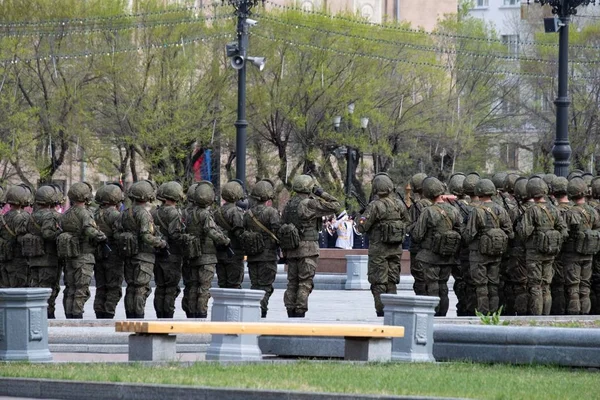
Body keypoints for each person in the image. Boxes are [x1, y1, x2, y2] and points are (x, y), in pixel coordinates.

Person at [280, 174, 340, 318]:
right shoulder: (309, 203)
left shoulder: (289, 205)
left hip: (292, 249)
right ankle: (300, 311)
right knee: (305, 283)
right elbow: (336, 205)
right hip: (308, 249)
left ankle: (290, 309)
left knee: (292, 282)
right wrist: (320, 192)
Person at [357, 173, 410, 317]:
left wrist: (360, 216)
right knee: (392, 281)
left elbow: (361, 228)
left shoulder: (375, 206)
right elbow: (407, 222)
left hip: (378, 250)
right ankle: (392, 310)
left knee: (379, 282)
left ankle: (381, 311)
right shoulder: (399, 204)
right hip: (396, 249)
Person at [516, 177, 568, 315]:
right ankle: (546, 316)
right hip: (550, 253)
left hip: (534, 254)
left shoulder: (531, 211)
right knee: (546, 286)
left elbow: (523, 233)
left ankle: (537, 318)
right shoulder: (554, 209)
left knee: (535, 286)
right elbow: (563, 230)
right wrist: (553, 241)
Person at [411, 177, 462, 316]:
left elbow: (417, 235)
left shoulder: (428, 211)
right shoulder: (453, 210)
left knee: (432, 285)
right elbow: (460, 230)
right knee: (443, 286)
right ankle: (443, 315)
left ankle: (433, 314)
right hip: (448, 255)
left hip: (430, 256)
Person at [462, 179, 513, 315]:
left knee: (481, 285)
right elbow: (510, 232)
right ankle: (495, 313)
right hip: (496, 253)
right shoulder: (501, 210)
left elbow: (468, 235)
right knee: (494, 284)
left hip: (479, 254)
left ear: (478, 192)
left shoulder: (476, 211)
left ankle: (483, 314)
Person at [118, 180, 166, 319]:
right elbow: (146, 235)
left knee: (131, 288)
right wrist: (161, 243)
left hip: (130, 255)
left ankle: (130, 316)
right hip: (144, 257)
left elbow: (117, 232)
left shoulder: (125, 213)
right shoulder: (144, 214)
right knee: (140, 289)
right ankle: (138, 316)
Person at [58, 182, 107, 319]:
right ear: (86, 197)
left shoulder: (66, 214)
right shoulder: (85, 213)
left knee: (70, 288)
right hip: (84, 256)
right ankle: (77, 315)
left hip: (69, 255)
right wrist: (101, 237)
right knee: (81, 289)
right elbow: (88, 229)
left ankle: (69, 315)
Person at [183, 181, 230, 318]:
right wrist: (225, 241)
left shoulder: (189, 214)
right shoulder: (205, 214)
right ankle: (201, 312)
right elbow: (210, 231)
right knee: (204, 287)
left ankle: (192, 313)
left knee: (192, 286)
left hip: (193, 254)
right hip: (207, 256)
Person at [561, 177, 600, 315]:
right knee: (585, 285)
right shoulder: (593, 212)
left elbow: (564, 233)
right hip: (588, 254)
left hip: (572, 254)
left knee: (573, 287)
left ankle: (574, 315)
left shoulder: (570, 213)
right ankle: (585, 314)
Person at [243, 179, 281, 318]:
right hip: (268, 256)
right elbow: (278, 231)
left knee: (255, 286)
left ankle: (255, 312)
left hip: (253, 256)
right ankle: (261, 312)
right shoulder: (272, 212)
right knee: (265, 287)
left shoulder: (248, 214)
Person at [27, 185, 63, 319]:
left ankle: (34, 317)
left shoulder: (32, 216)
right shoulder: (51, 216)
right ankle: (47, 318)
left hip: (33, 258)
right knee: (49, 291)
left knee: (35, 290)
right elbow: (48, 234)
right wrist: (60, 232)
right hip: (49, 260)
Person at [152, 181, 185, 318]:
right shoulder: (175, 213)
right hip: (173, 255)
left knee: (160, 287)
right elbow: (175, 234)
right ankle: (167, 316)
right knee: (171, 288)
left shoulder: (154, 212)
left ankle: (160, 314)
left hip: (158, 254)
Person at [92, 183, 125, 319]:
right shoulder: (116, 215)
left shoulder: (94, 214)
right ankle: (108, 314)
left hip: (98, 253)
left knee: (101, 286)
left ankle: (99, 313)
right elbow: (119, 235)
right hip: (114, 255)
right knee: (113, 288)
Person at [214, 180, 246, 289]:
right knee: (234, 286)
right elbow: (239, 232)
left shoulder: (216, 212)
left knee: (222, 285)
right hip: (234, 254)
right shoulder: (236, 211)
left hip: (220, 254)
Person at [0, 184, 32, 289]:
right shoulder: (26, 217)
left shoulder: (3, 218)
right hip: (20, 263)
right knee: (19, 293)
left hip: (4, 260)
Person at [407, 172, 429, 296]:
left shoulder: (418, 205)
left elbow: (411, 227)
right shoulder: (436, 204)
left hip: (419, 249)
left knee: (420, 280)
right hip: (431, 248)